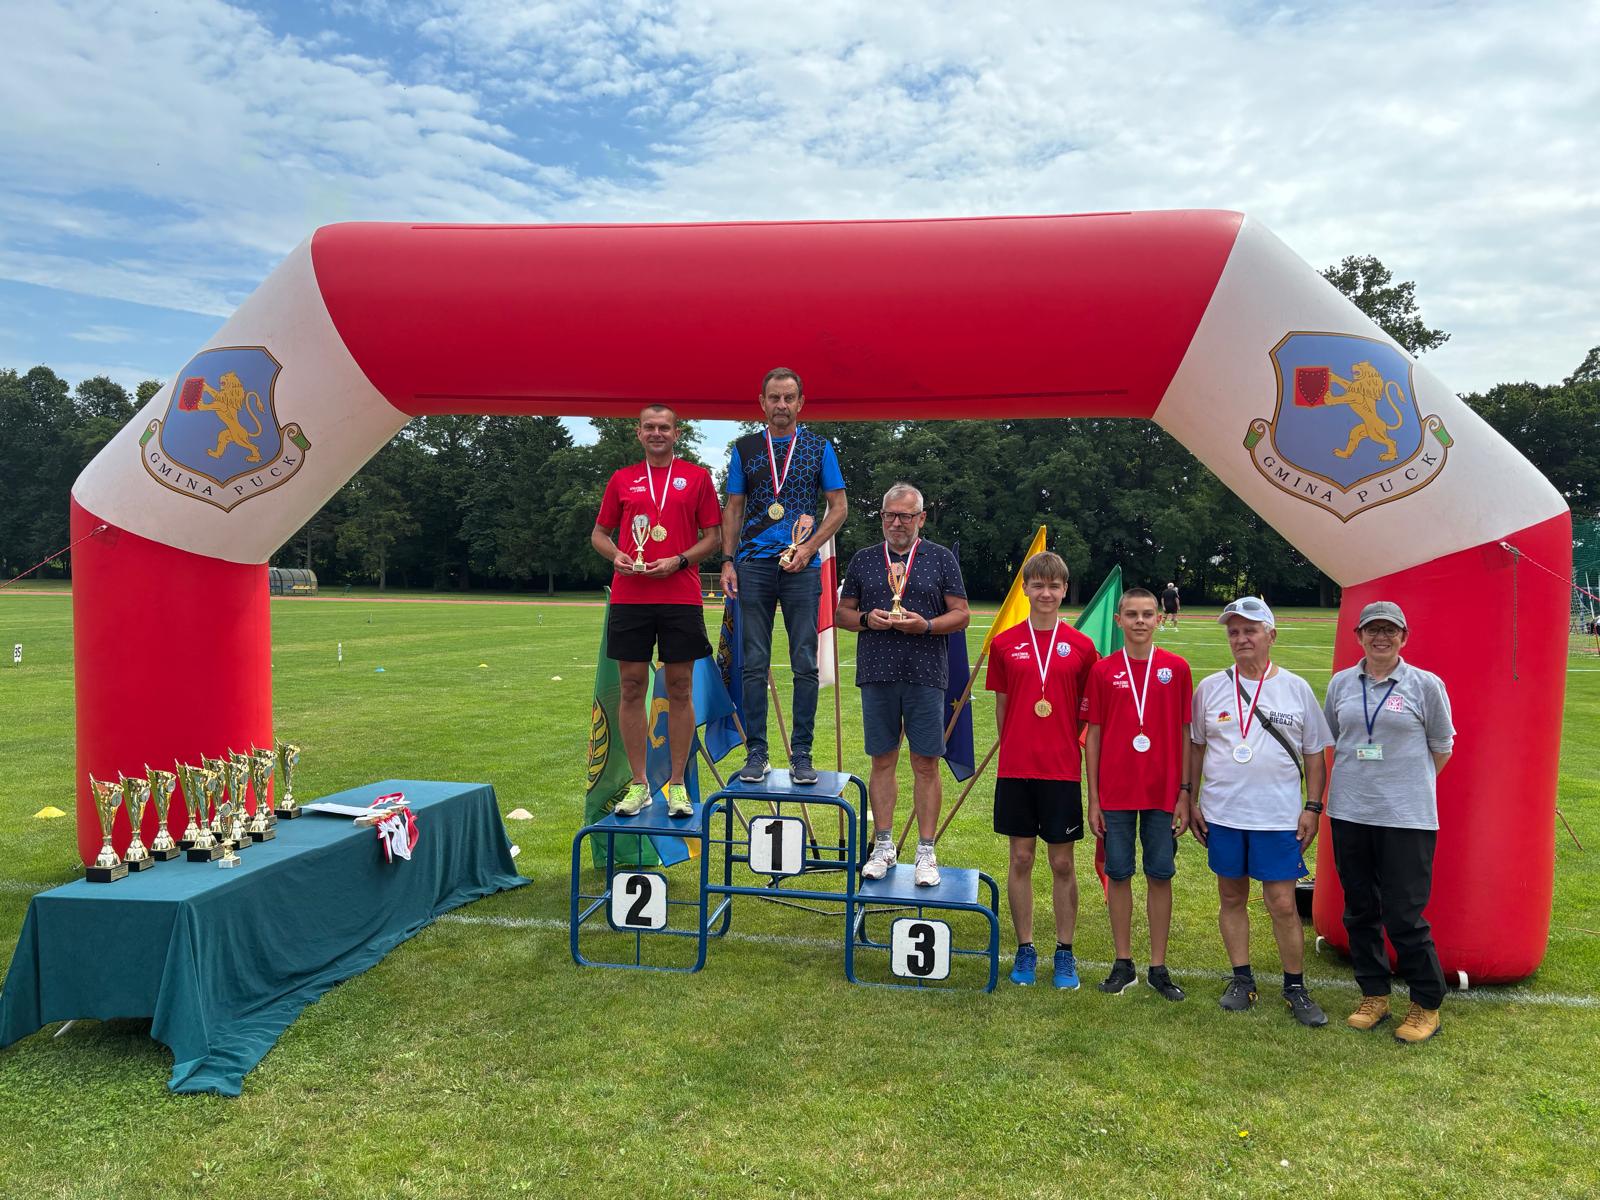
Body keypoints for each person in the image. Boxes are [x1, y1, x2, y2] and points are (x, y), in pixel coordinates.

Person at [1189, 596, 1334, 1026]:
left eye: (1250, 630)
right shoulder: (1210, 687)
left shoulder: (1296, 688)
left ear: (1271, 635)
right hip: (1224, 815)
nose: (1241, 638)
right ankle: (1242, 979)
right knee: (1231, 897)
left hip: (1277, 818)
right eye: (1233, 632)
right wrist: (1189, 798)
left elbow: (1315, 755)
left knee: (1283, 903)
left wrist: (1312, 807)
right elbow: (1196, 748)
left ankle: (1295, 986)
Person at [1323, 601, 1455, 1044]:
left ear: (1404, 636)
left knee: (1403, 913)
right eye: (1372, 630)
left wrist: (1404, 785)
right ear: (1358, 636)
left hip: (1406, 818)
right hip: (1350, 812)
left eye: (1390, 630)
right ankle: (1374, 994)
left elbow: (1442, 747)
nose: (1381, 637)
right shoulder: (1342, 683)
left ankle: (1426, 1003)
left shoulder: (1425, 685)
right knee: (1360, 909)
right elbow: (1336, 738)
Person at [591, 405, 722, 818]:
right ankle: (639, 784)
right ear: (639, 433)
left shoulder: (697, 477)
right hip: (631, 595)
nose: (657, 433)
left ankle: (677, 784)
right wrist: (616, 555)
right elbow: (600, 534)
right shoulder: (622, 479)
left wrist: (679, 560)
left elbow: (714, 537)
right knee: (631, 686)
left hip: (680, 595)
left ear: (676, 433)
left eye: (664, 427)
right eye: (649, 427)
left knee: (680, 687)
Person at [836, 483, 970, 886]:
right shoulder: (863, 559)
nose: (896, 522)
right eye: (889, 515)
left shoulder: (941, 558)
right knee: (882, 760)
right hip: (877, 672)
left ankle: (926, 851)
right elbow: (842, 613)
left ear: (921, 518)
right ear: (881, 516)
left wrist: (926, 626)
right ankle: (883, 846)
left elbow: (961, 614)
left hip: (926, 674)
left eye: (905, 516)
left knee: (926, 763)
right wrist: (866, 619)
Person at [720, 368, 848, 786]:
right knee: (754, 664)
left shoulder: (818, 448)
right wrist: (727, 560)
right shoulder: (744, 448)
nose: (781, 405)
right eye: (774, 398)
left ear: (800, 402)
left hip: (802, 567)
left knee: (804, 663)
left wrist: (809, 549)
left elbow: (839, 507)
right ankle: (756, 753)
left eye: (789, 397)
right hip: (753, 566)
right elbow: (734, 508)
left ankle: (802, 753)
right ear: (762, 402)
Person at [984, 551, 1097, 988]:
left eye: (1054, 585)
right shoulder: (1004, 644)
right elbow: (1002, 706)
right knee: (1020, 857)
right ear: (1026, 589)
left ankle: (1065, 952)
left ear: (1064, 590)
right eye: (1038, 585)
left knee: (1063, 862)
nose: (1046, 592)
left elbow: (1088, 712)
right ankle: (1026, 948)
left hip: (1062, 770)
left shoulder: (1082, 647)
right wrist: (1016, 745)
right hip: (1017, 768)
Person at [1085, 587, 1193, 1000]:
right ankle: (1123, 962)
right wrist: (1094, 799)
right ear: (1119, 621)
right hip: (1115, 793)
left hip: (1163, 794)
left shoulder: (1176, 669)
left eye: (1148, 614)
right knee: (1118, 873)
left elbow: (1185, 733)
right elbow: (1093, 736)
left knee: (1160, 874)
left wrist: (1184, 793)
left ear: (1159, 619)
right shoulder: (1103, 671)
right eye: (1132, 614)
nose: (1140, 621)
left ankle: (1158, 967)